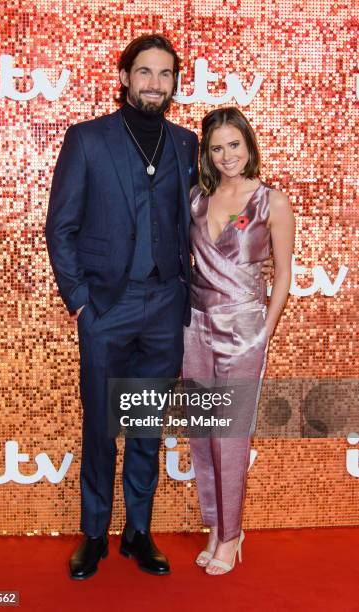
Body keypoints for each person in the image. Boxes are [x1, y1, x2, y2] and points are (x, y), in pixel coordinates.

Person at [45, 34, 199, 579]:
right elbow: (60, 227)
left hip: (164, 306)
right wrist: (81, 302)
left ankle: (137, 531)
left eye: (164, 74)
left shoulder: (186, 145)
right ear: (124, 77)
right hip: (106, 307)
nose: (154, 83)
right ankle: (94, 533)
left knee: (145, 424)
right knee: (100, 426)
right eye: (144, 72)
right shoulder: (87, 139)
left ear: (174, 83)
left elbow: (201, 221)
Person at [182, 107, 294, 575]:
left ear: (248, 144)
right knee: (202, 435)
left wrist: (262, 331)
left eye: (234, 144)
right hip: (194, 326)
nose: (227, 155)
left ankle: (231, 535)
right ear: (206, 153)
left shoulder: (272, 202)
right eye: (216, 147)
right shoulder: (195, 199)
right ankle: (215, 526)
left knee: (230, 437)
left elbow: (283, 274)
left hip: (243, 329)